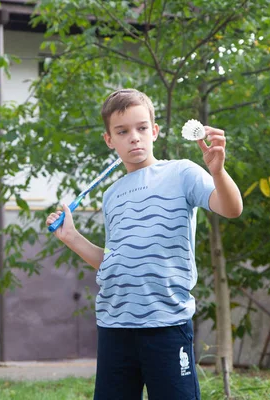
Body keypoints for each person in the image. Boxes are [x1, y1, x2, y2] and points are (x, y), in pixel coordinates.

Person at [45, 88, 243, 400]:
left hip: (166, 324)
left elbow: (231, 209)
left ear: (154, 131)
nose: (134, 137)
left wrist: (217, 172)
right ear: (110, 140)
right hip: (114, 325)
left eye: (141, 128)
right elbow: (113, 261)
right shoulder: (111, 195)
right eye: (122, 132)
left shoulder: (181, 172)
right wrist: (71, 236)